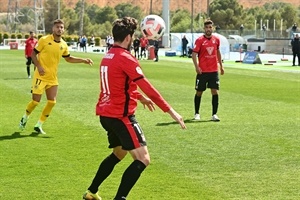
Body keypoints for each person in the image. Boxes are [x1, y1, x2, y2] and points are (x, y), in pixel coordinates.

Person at [82, 16, 186, 200]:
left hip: (106, 115)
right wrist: (171, 111)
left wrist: (139, 97)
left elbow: (117, 86)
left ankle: (92, 191)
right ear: (129, 38)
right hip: (121, 117)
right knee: (143, 159)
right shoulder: (126, 58)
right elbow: (149, 87)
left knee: (119, 153)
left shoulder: (108, 56)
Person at [19, 19, 93, 134]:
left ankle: (39, 125)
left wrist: (83, 60)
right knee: (35, 102)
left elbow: (68, 58)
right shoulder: (44, 40)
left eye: (62, 27)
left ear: (63, 30)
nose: (59, 29)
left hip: (52, 78)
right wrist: (38, 66)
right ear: (53, 29)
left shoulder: (63, 44)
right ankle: (25, 117)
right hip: (40, 75)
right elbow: (33, 53)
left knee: (52, 102)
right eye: (57, 27)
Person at [192, 19, 224, 122]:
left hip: (214, 71)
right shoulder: (200, 40)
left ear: (212, 28)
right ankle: (197, 113)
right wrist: (197, 67)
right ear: (204, 29)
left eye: (210, 27)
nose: (208, 29)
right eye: (206, 27)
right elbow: (194, 54)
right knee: (199, 92)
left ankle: (214, 114)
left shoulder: (216, 40)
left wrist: (221, 66)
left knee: (215, 91)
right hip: (203, 72)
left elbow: (218, 52)